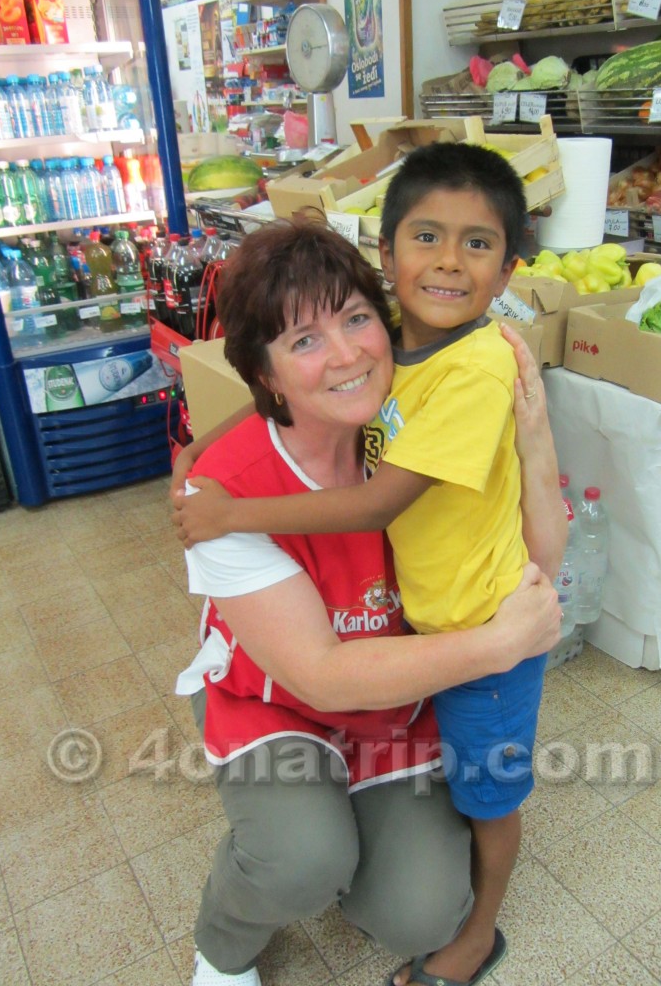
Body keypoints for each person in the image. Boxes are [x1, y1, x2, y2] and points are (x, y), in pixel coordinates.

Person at [173, 144, 567, 986]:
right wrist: (204, 458)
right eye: (304, 339)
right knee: (299, 859)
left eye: (355, 321)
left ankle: (430, 900)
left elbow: (396, 505)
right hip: (293, 707)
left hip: (425, 684)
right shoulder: (240, 487)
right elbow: (320, 673)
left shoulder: (436, 390)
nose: (347, 353)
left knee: (435, 889)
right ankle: (235, 930)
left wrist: (535, 451)